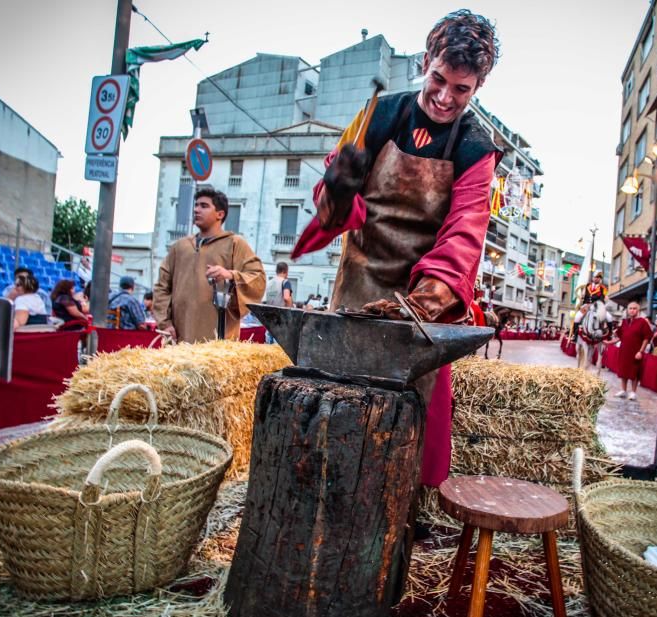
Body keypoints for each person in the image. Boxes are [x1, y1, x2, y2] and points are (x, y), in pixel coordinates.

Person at [291, 10, 502, 494]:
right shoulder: (380, 115)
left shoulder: (476, 148)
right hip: (356, 289)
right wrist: (338, 191)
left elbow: (465, 231)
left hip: (419, 307)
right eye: (439, 79)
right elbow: (330, 209)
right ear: (425, 61)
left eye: (462, 89)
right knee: (337, 425)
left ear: (479, 87)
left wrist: (424, 301)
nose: (446, 97)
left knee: (404, 438)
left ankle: (399, 519)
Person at [153, 188, 266, 342]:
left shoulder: (235, 244)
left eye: (204, 206)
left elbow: (257, 278)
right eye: (196, 205)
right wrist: (165, 323)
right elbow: (162, 286)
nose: (196, 209)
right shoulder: (180, 247)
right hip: (179, 339)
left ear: (220, 214)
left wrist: (231, 275)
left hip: (217, 343)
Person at [611, 301, 652, 400]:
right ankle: (623, 390)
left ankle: (633, 392)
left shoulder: (642, 322)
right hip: (624, 350)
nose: (632, 310)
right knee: (623, 370)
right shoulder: (624, 322)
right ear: (627, 310)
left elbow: (646, 338)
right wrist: (609, 342)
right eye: (630, 308)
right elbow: (620, 336)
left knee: (635, 372)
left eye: (634, 308)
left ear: (638, 310)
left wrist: (640, 351)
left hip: (635, 351)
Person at [571, 272, 613, 342]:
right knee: (577, 317)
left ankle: (610, 334)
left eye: (597, 277)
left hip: (598, 307)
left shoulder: (603, 288)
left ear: (600, 279)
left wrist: (598, 304)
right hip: (586, 306)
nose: (596, 278)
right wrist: (582, 297)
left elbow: (604, 299)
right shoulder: (587, 286)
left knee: (609, 317)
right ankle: (575, 335)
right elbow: (583, 296)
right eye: (595, 277)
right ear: (593, 278)